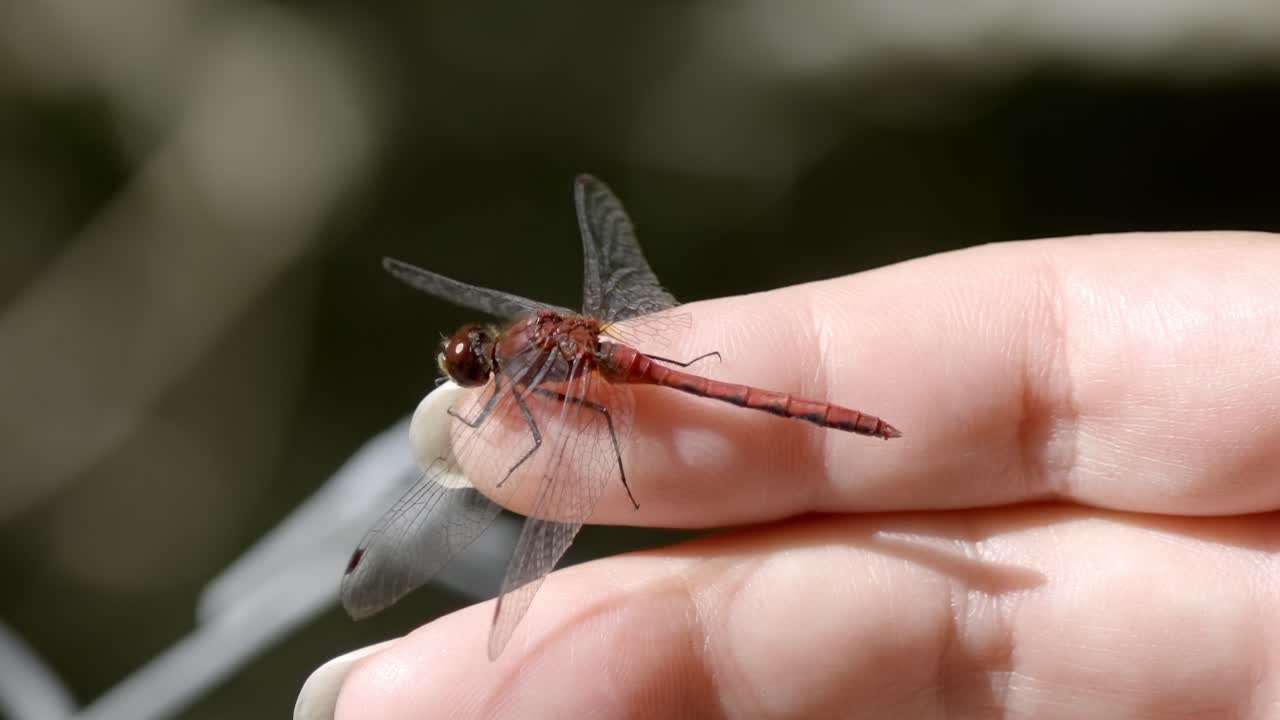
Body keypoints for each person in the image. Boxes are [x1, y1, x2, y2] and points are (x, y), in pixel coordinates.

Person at [297, 232, 1280, 718]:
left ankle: (842, 419)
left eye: (470, 364)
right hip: (616, 355)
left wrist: (532, 418)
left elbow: (557, 417)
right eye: (470, 362)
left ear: (495, 359)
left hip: (625, 370)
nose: (470, 364)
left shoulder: (525, 374)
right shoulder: (530, 347)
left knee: (563, 436)